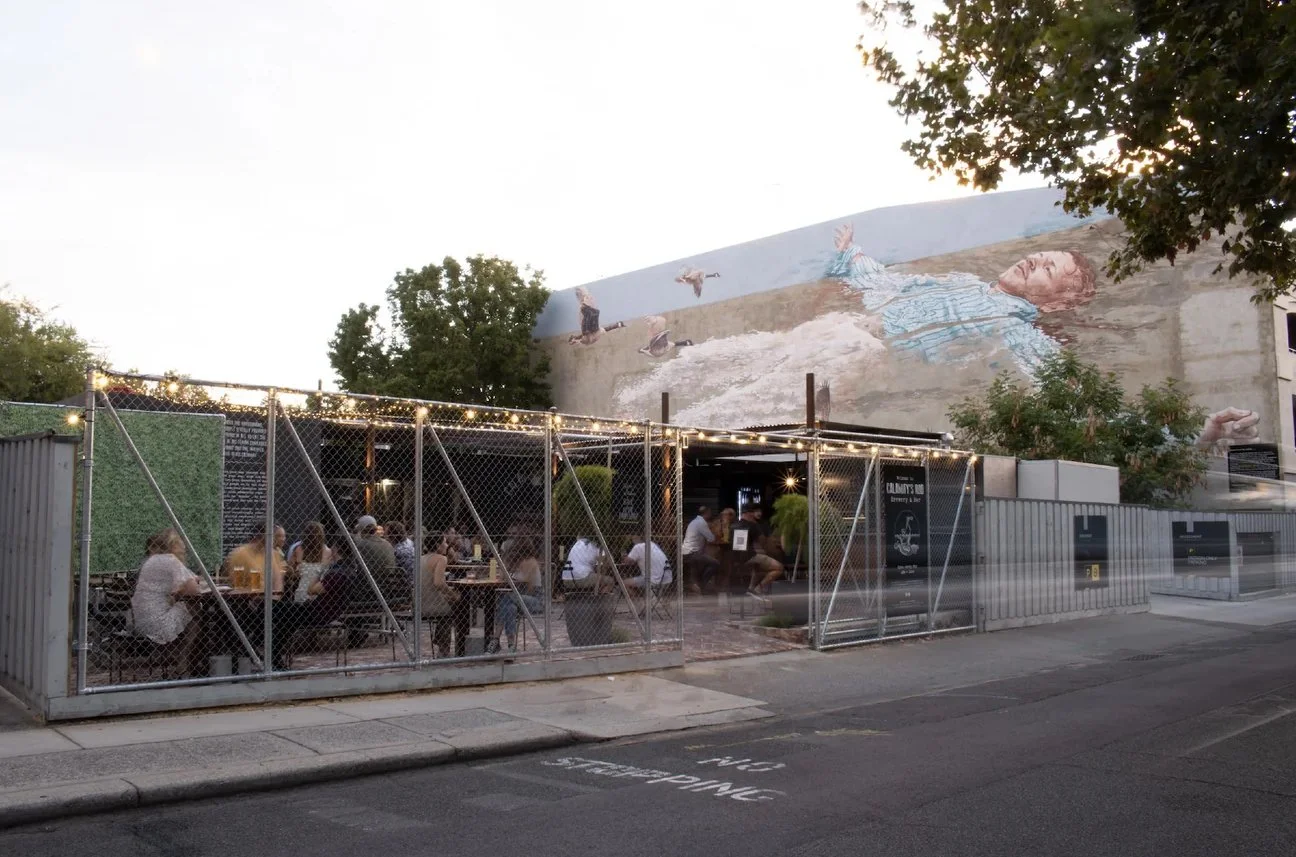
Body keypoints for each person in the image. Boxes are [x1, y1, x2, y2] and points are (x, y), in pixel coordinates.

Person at [269, 536, 359, 669]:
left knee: (276, 610)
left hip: (318, 612)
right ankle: (272, 655)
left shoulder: (336, 573)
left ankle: (269, 653)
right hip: (325, 611)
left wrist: (322, 568)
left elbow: (311, 590)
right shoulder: (350, 569)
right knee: (281, 611)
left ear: (336, 549)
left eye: (333, 547)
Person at [131, 529, 202, 647]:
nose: (184, 549)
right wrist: (185, 588)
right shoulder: (170, 560)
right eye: (181, 544)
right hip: (159, 624)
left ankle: (185, 654)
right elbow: (194, 589)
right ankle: (188, 653)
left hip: (142, 622)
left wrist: (183, 588)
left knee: (185, 604)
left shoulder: (153, 560)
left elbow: (188, 581)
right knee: (195, 607)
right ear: (173, 545)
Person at [489, 538, 543, 654]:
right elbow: (502, 577)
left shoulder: (531, 563)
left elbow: (528, 586)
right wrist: (507, 565)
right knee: (509, 606)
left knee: (506, 598)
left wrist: (512, 575)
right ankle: (511, 645)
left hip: (534, 599)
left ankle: (496, 639)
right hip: (517, 599)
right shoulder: (516, 563)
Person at [416, 540, 459, 658]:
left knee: (449, 603)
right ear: (437, 545)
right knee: (458, 603)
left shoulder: (420, 558)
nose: (447, 545)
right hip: (432, 605)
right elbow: (439, 583)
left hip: (418, 603)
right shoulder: (441, 559)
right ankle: (446, 647)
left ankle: (439, 639)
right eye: (444, 543)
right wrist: (453, 594)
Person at [222, 522, 287, 594]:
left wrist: (274, 599)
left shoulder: (273, 554)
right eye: (273, 535)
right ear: (262, 536)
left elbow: (278, 582)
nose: (274, 539)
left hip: (267, 598)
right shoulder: (241, 554)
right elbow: (238, 585)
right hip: (247, 598)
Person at [682, 506, 720, 594]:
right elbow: (711, 538)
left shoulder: (694, 521)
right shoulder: (701, 523)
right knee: (715, 563)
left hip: (686, 552)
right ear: (707, 513)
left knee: (704, 561)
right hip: (692, 553)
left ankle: (696, 584)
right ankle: (701, 585)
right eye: (710, 513)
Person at [292, 521, 332, 604]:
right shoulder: (328, 552)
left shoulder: (298, 549)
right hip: (317, 596)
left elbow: (293, 573)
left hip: (304, 593)